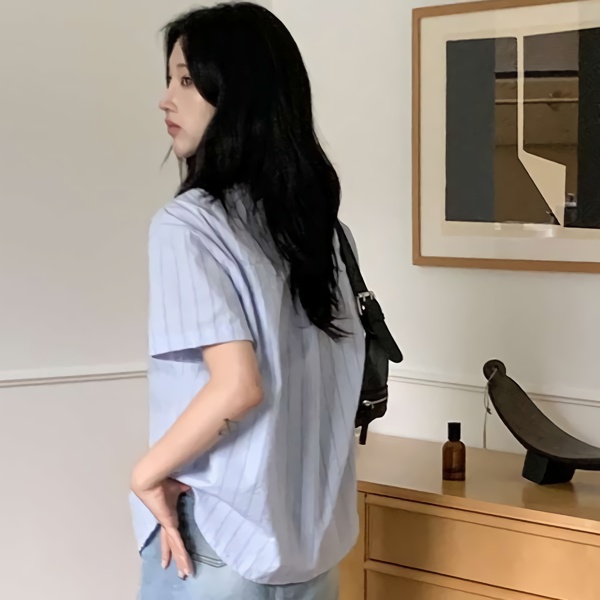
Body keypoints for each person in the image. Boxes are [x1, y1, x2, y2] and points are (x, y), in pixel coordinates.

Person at [129, 3, 365, 598]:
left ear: (237, 95)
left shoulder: (188, 226)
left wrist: (146, 473)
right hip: (314, 546)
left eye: (187, 80)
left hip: (216, 538)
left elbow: (238, 386)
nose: (166, 100)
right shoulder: (326, 236)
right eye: (170, 79)